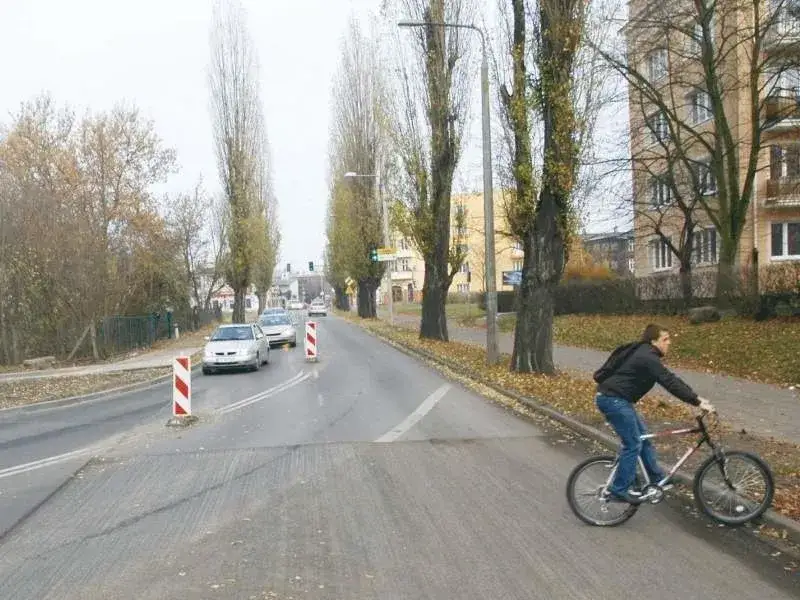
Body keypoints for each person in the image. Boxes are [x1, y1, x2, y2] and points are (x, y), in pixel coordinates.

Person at [595, 324, 715, 504]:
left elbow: (671, 379)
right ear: (653, 341)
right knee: (633, 443)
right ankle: (618, 489)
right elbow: (669, 381)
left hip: (617, 399)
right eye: (665, 339)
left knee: (642, 438)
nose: (669, 343)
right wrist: (697, 401)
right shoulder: (647, 357)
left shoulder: (645, 353)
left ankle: (656, 478)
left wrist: (695, 398)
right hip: (613, 400)